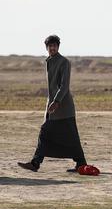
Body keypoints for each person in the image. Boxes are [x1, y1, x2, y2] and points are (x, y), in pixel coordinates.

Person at [18, 35, 88, 173]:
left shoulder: (64, 62)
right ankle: (38, 162)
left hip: (63, 107)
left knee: (65, 135)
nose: (52, 48)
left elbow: (64, 86)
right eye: (50, 46)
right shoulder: (49, 61)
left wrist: (56, 101)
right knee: (48, 134)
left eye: (54, 45)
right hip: (53, 106)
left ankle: (36, 163)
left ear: (58, 47)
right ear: (47, 48)